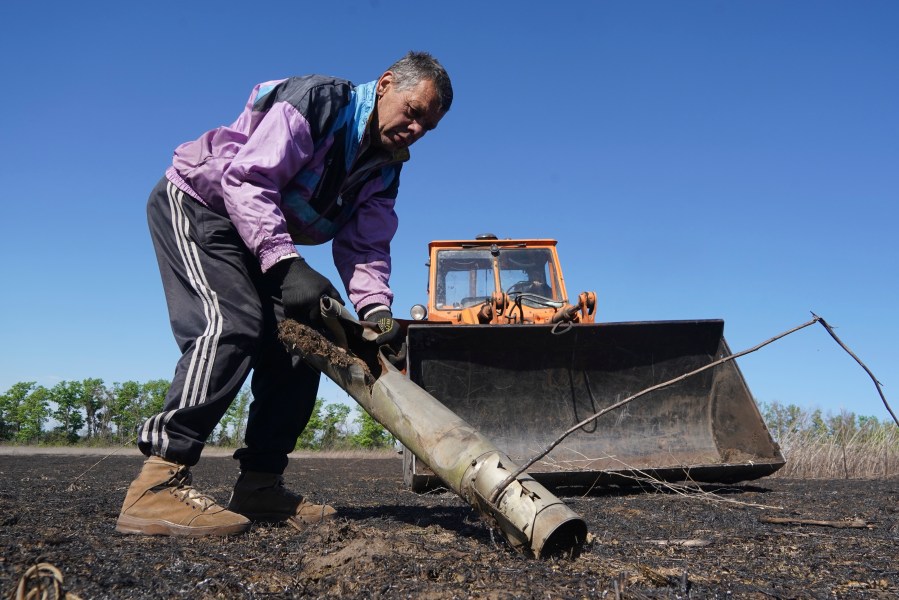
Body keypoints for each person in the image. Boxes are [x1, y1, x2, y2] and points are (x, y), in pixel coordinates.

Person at [116, 51, 453, 536]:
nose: (416, 129)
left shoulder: (386, 167)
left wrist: (377, 311)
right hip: (202, 206)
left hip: (257, 232)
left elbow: (366, 244)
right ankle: (158, 482)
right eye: (414, 111)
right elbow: (248, 180)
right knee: (233, 323)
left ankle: (259, 484)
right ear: (385, 85)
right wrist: (286, 263)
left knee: (303, 345)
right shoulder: (321, 102)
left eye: (428, 126)